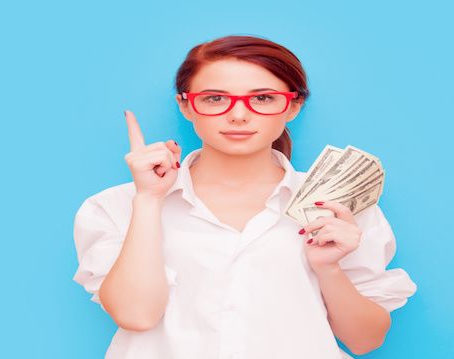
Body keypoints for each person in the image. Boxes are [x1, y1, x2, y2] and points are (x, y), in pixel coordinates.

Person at [71, 35, 417, 359]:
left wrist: (328, 269)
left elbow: (365, 340)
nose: (238, 115)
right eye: (215, 98)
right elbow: (136, 315)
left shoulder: (340, 207)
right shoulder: (115, 207)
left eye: (263, 98)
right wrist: (148, 201)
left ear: (293, 106)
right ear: (186, 106)